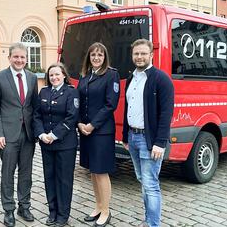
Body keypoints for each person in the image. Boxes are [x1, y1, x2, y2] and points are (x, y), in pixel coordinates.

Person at [122, 39, 174, 227]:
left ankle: (153, 224)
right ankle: (148, 220)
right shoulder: (132, 78)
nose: (139, 57)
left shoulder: (161, 79)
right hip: (133, 138)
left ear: (151, 55)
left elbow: (166, 113)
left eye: (143, 53)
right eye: (136, 53)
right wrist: (125, 135)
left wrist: (160, 142)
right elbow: (129, 107)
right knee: (143, 180)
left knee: (150, 184)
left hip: (149, 139)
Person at [0, 43, 39, 227]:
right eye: (16, 57)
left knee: (26, 173)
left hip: (28, 134)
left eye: (22, 57)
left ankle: (24, 206)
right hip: (8, 135)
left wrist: (36, 131)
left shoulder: (32, 78)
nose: (19, 60)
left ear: (26, 59)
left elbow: (33, 107)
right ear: (9, 58)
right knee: (8, 173)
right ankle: (8, 209)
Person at [77, 42, 120, 227]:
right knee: (93, 171)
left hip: (101, 131)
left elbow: (111, 104)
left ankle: (106, 211)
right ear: (89, 57)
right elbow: (78, 101)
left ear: (105, 57)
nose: (96, 58)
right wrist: (79, 123)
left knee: (101, 171)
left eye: (100, 55)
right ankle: (98, 206)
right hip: (85, 130)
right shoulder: (85, 76)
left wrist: (93, 125)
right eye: (93, 54)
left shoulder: (111, 75)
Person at [33, 63, 79, 227]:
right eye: (51, 75)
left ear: (64, 75)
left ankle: (63, 214)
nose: (54, 77)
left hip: (65, 144)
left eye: (57, 74)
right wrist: (41, 134)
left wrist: (54, 135)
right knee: (49, 177)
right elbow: (37, 115)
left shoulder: (71, 92)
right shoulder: (44, 91)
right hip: (46, 143)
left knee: (64, 180)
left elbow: (71, 117)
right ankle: (52, 211)